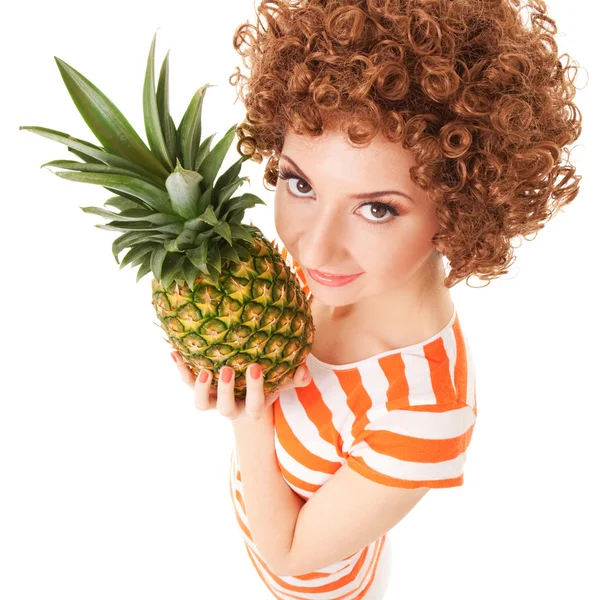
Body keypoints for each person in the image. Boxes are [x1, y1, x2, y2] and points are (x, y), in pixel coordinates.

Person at [174, 0, 583, 597]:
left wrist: (250, 421)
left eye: (376, 209)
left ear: (462, 209)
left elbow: (289, 556)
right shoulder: (320, 270)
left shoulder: (425, 411)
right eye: (300, 183)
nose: (313, 249)